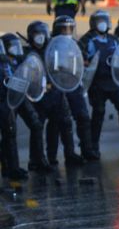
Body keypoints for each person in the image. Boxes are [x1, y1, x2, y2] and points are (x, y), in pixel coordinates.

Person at [78, 10, 119, 156]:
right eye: (99, 21)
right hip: (97, 83)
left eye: (105, 20)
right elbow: (80, 58)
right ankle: (93, 146)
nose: (102, 24)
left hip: (114, 81)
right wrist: (86, 62)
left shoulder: (114, 39)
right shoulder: (86, 40)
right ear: (93, 23)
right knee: (98, 113)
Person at [25, 20, 83, 167]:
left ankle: (65, 155)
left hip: (57, 93)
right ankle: (36, 159)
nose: (39, 38)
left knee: (63, 123)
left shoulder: (53, 49)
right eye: (36, 35)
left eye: (41, 34)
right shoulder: (28, 54)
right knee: (38, 127)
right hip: (39, 97)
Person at [1, 33, 51, 173]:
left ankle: (38, 161)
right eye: (12, 47)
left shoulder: (20, 60)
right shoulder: (2, 63)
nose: (16, 49)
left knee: (36, 124)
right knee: (9, 132)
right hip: (6, 100)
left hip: (21, 97)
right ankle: (11, 167)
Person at [50, 15, 98, 161]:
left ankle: (87, 150)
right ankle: (63, 154)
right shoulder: (51, 46)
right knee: (61, 120)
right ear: (58, 30)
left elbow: (83, 62)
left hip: (74, 84)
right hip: (58, 85)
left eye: (70, 28)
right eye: (64, 28)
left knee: (83, 116)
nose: (68, 31)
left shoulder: (76, 45)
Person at [0, 40, 26, 180]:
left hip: (4, 102)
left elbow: (10, 80)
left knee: (9, 134)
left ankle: (12, 168)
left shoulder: (4, 64)